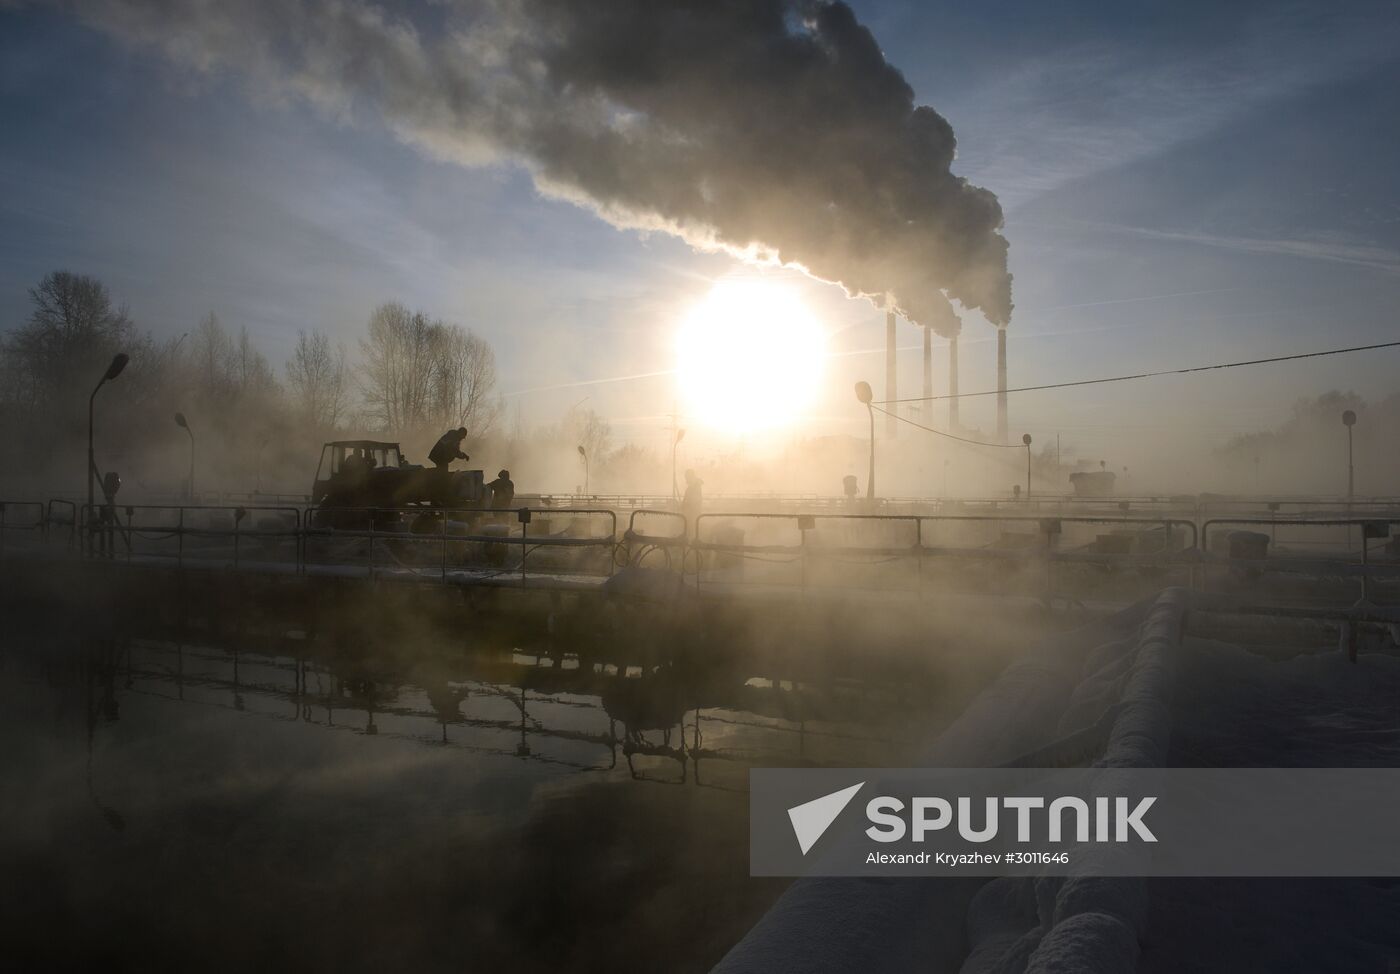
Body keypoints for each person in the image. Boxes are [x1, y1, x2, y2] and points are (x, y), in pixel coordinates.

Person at [682, 468, 703, 535]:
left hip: (693, 512)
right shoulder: (693, 486)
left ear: (690, 476)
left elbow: (694, 499)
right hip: (691, 511)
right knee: (690, 525)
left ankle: (689, 538)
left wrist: (685, 504)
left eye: (686, 477)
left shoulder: (695, 486)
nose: (686, 479)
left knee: (691, 526)